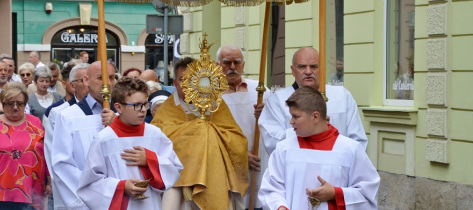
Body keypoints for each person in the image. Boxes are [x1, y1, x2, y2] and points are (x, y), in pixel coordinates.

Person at [258, 87, 380, 209]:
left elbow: (368, 194)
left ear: (315, 117)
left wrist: (335, 194)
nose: (291, 122)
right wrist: (280, 207)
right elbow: (271, 188)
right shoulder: (284, 149)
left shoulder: (349, 150)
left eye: (295, 116)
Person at [151, 57, 249, 210]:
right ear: (175, 83)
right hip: (180, 183)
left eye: (191, 79)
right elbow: (157, 141)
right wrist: (195, 132)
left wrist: (207, 132)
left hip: (215, 179)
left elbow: (237, 139)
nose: (188, 85)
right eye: (183, 80)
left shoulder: (215, 105)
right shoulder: (167, 110)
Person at [77, 77, 183, 209]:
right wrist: (122, 187)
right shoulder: (104, 139)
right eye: (137, 105)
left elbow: (174, 169)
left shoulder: (155, 135)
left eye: (145, 104)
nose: (143, 109)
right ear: (118, 107)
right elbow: (89, 186)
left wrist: (149, 160)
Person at [258, 47, 368, 154]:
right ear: (293, 70)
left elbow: (358, 141)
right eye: (302, 67)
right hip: (297, 168)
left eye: (314, 66)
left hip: (336, 166)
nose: (308, 71)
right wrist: (309, 128)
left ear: (322, 68)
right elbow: (273, 143)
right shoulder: (277, 100)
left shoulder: (342, 96)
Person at [0, 82, 51, 209]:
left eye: (20, 103)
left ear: (25, 104)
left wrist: (50, 181)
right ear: (2, 104)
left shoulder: (35, 122)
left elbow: (45, 153)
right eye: (10, 103)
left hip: (34, 191)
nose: (15, 107)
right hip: (2, 192)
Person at [51, 61, 116, 209]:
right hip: (86, 202)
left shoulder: (123, 114)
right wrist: (88, 198)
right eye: (100, 78)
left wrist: (117, 126)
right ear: (86, 80)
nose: (108, 84)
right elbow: (62, 164)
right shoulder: (68, 117)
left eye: (111, 78)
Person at [216, 44, 271, 210]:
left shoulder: (261, 91)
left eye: (237, 62)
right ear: (217, 65)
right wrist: (239, 154)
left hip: (258, 160)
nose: (232, 67)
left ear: (243, 65)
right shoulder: (210, 95)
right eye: (227, 62)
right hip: (227, 165)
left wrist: (266, 115)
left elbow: (276, 126)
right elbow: (211, 133)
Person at [43, 63, 89, 210]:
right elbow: (53, 157)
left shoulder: (108, 111)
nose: (89, 84)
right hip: (70, 192)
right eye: (83, 80)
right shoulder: (59, 113)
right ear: (72, 85)